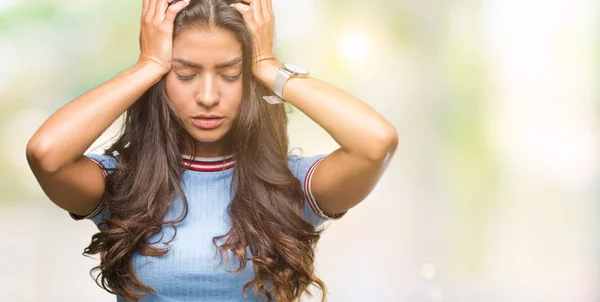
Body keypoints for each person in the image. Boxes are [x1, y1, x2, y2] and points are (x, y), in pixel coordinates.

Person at [26, 0, 398, 301]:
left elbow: (376, 142)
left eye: (230, 74)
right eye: (185, 75)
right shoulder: (123, 184)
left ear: (251, 81)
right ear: (160, 82)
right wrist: (149, 64)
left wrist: (269, 66)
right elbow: (46, 153)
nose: (208, 97)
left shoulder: (292, 185)